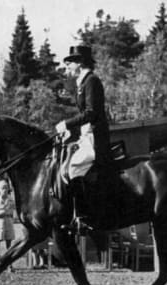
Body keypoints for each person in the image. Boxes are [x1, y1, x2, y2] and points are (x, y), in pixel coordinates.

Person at [54, 45, 111, 227]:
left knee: (74, 168)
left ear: (79, 63)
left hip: (95, 138)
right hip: (86, 136)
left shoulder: (91, 81)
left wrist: (66, 124)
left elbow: (91, 113)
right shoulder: (83, 83)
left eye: (70, 63)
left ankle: (83, 216)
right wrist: (71, 130)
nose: (68, 66)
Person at [0, 179, 15, 271]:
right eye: (2, 188)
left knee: (9, 245)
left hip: (8, 220)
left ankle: (10, 265)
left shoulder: (11, 200)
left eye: (6, 188)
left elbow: (13, 210)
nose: (4, 190)